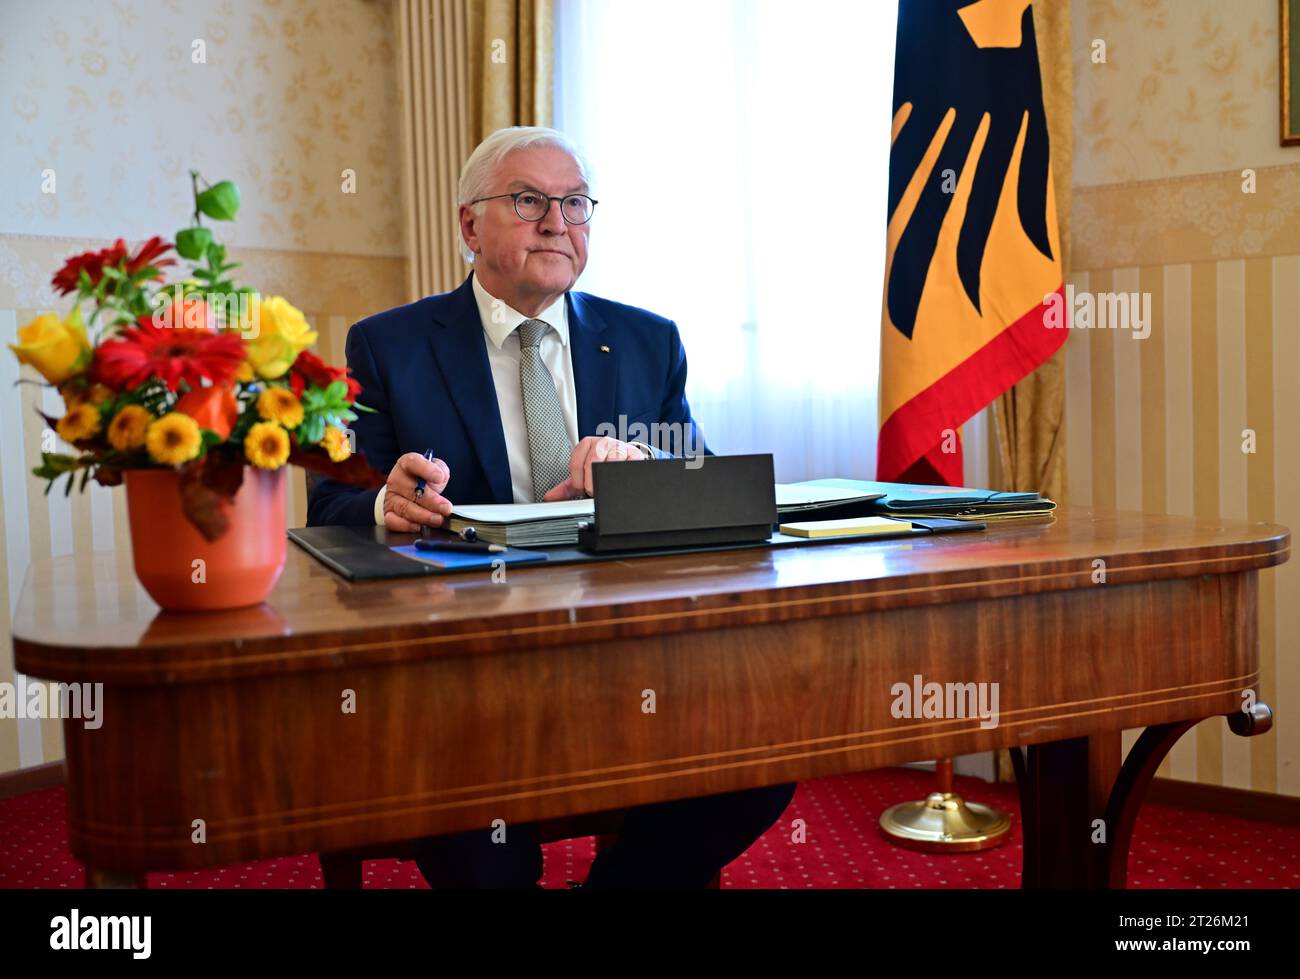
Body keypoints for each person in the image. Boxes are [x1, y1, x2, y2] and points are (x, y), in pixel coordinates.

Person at [308, 126, 796, 888]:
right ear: (470, 225)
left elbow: (705, 488)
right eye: (529, 199)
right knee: (478, 846)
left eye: (574, 204)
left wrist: (643, 470)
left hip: (629, 654)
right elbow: (330, 498)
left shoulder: (646, 341)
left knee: (759, 763)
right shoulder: (389, 345)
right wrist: (386, 502)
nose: (556, 222)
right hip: (465, 671)